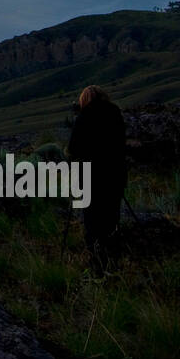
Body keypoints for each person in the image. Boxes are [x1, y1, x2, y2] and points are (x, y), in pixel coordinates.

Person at [67, 84, 127, 271]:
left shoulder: (83, 117)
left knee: (93, 222)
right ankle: (114, 260)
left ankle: (97, 263)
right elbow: (121, 142)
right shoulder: (114, 112)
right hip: (114, 175)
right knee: (111, 218)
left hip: (90, 177)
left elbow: (73, 149)